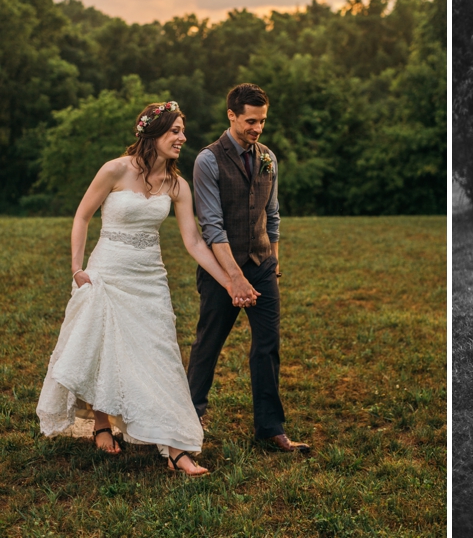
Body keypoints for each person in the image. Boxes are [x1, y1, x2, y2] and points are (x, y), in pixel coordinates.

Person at [37, 101, 243, 476]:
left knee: (161, 355)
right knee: (104, 346)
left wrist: (228, 279)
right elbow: (83, 215)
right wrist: (76, 268)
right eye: (175, 131)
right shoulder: (115, 169)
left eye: (182, 131)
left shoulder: (177, 186)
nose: (182, 138)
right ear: (152, 134)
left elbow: (194, 242)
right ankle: (102, 423)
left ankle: (176, 449)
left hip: (150, 278)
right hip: (108, 271)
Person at [187, 83, 309, 453]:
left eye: (262, 121)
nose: (257, 128)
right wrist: (233, 278)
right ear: (231, 115)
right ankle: (190, 417)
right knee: (208, 344)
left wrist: (273, 260)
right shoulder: (208, 161)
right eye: (250, 121)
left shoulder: (268, 157)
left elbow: (272, 215)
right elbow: (211, 225)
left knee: (267, 346)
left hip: (261, 265)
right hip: (221, 270)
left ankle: (270, 429)